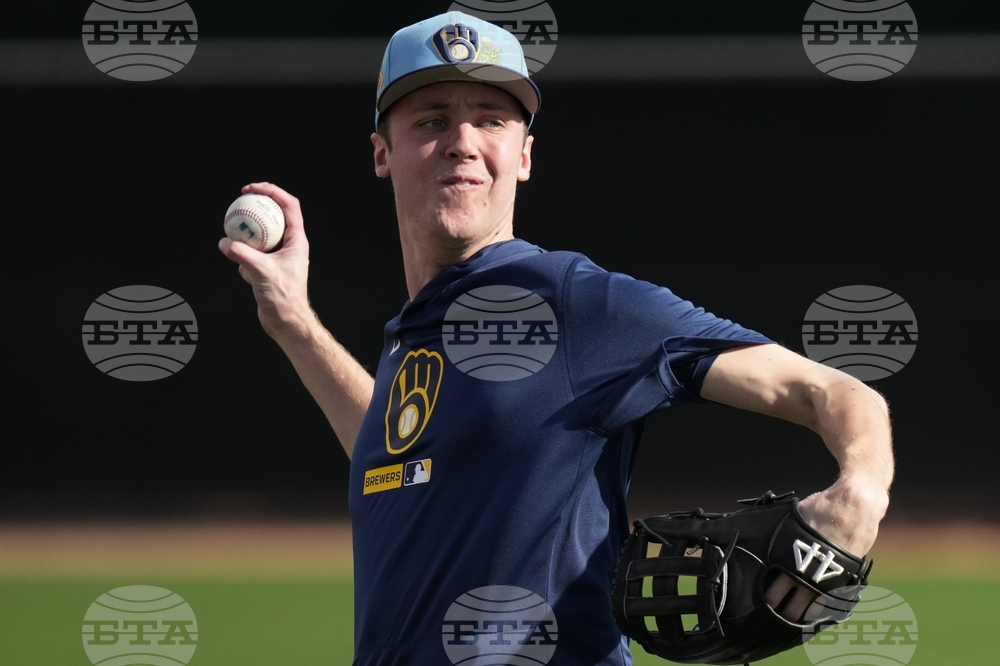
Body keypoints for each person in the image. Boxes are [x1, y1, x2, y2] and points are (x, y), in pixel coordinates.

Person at [218, 11, 893, 665]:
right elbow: (402, 467)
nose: (463, 140)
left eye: (490, 119)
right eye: (432, 120)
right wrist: (294, 324)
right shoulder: (412, 332)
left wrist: (860, 492)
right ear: (381, 153)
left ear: (524, 155)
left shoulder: (574, 301)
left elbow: (825, 389)